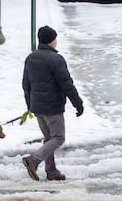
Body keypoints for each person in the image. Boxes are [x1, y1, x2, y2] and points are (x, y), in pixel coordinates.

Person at [20, 25, 84, 181]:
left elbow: (26, 84)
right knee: (58, 138)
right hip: (52, 106)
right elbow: (66, 83)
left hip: (37, 106)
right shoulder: (56, 59)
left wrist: (30, 105)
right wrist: (78, 103)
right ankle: (34, 160)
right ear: (51, 40)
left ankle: (51, 170)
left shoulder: (31, 58)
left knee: (49, 138)